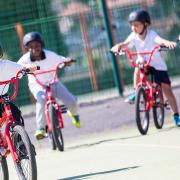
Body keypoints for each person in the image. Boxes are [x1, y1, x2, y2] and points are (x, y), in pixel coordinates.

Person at [111, 9, 180, 126]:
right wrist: (118, 46)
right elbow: (125, 44)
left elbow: (159, 40)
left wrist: (168, 43)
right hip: (143, 63)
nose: (133, 28)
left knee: (167, 90)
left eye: (136, 25)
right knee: (137, 68)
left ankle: (176, 116)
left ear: (145, 24)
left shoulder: (151, 34)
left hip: (157, 66)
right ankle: (136, 92)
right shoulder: (133, 36)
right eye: (132, 25)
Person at [18, 32, 81, 140]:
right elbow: (17, 70)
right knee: (41, 100)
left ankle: (74, 114)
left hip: (53, 83)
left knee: (72, 101)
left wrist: (67, 61)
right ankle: (41, 128)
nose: (34, 49)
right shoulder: (24, 60)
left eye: (37, 46)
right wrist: (30, 69)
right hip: (37, 85)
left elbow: (62, 61)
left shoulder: (50, 55)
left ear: (41, 45)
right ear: (27, 48)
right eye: (31, 47)